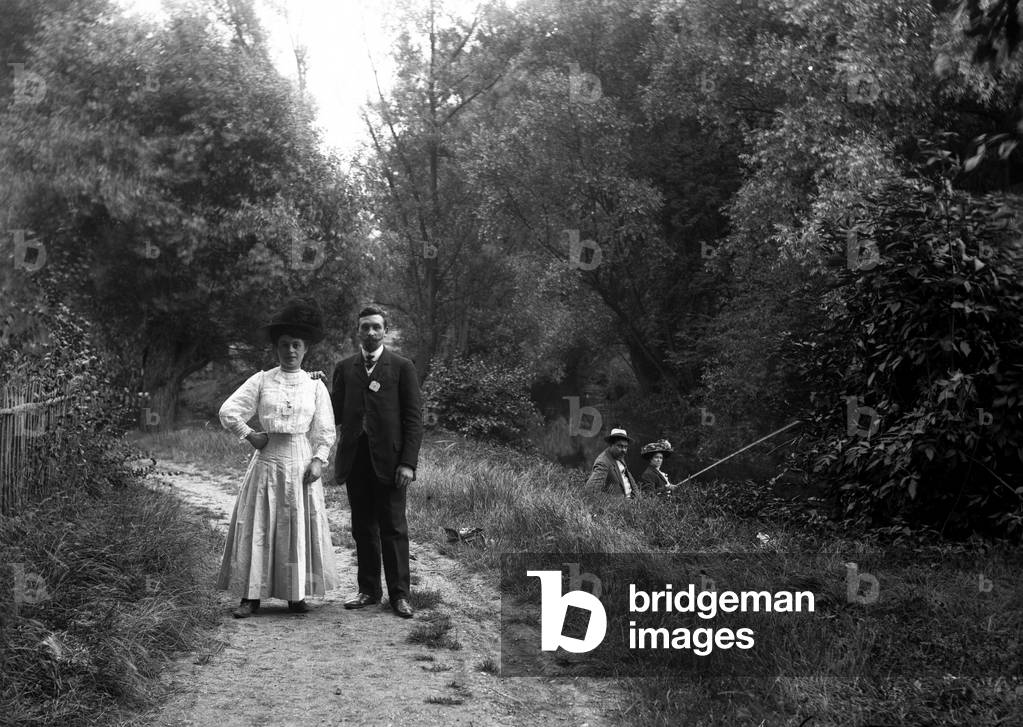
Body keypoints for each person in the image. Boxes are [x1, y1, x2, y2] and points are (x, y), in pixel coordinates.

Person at [217, 299, 338, 618]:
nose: (290, 351)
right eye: (284, 345)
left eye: (296, 345)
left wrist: (318, 460)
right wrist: (250, 434)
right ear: (276, 348)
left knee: (295, 525)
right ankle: (250, 596)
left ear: (306, 348)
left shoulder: (315, 387)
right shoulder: (262, 380)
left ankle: (295, 594)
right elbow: (228, 411)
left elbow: (325, 430)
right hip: (267, 460)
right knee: (259, 524)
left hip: (300, 461)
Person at [331, 305, 423, 618]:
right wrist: (313, 384)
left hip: (392, 463)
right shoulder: (344, 368)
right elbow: (334, 412)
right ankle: (368, 590)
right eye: (365, 327)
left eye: (376, 327)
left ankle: (400, 595)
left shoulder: (401, 366)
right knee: (362, 527)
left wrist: (408, 463)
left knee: (394, 528)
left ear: (385, 331)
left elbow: (413, 419)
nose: (370, 332)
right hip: (356, 461)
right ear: (357, 331)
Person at [584, 427, 639, 498]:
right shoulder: (603, 462)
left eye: (626, 447)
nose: (624, 450)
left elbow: (628, 477)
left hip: (632, 503)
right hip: (619, 506)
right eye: (620, 446)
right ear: (611, 445)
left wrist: (638, 498)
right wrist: (617, 502)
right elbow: (591, 490)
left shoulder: (619, 456)